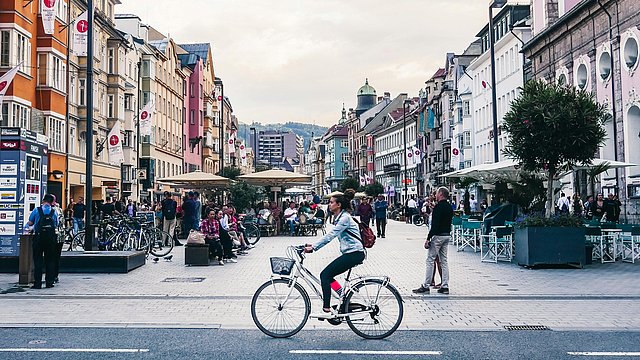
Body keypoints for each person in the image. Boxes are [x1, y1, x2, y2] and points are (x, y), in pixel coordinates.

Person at [304, 189, 365, 318]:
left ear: (338, 205)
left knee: (324, 275)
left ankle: (326, 309)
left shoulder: (344, 218)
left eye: (331, 202)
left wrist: (314, 247)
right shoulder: (340, 217)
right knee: (329, 276)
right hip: (351, 253)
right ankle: (343, 295)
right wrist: (311, 245)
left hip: (354, 253)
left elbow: (331, 235)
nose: (329, 205)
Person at [413, 186, 453, 295]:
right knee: (443, 261)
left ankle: (426, 285)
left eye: (436, 193)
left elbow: (435, 225)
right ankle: (445, 286)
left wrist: (428, 238)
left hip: (438, 236)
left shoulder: (438, 208)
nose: (435, 195)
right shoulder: (449, 207)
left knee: (430, 260)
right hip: (446, 235)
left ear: (440, 194)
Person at [25, 194, 59, 289]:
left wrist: (26, 228)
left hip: (39, 238)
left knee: (38, 260)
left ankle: (37, 283)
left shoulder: (37, 210)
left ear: (43, 201)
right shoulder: (54, 211)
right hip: (50, 239)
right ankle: (49, 282)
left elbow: (30, 222)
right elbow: (56, 224)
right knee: (50, 260)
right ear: (52, 202)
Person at [52, 195, 65, 284]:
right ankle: (55, 276)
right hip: (60, 236)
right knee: (56, 257)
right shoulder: (59, 209)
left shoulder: (50, 210)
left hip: (52, 235)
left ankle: (50, 276)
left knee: (49, 257)